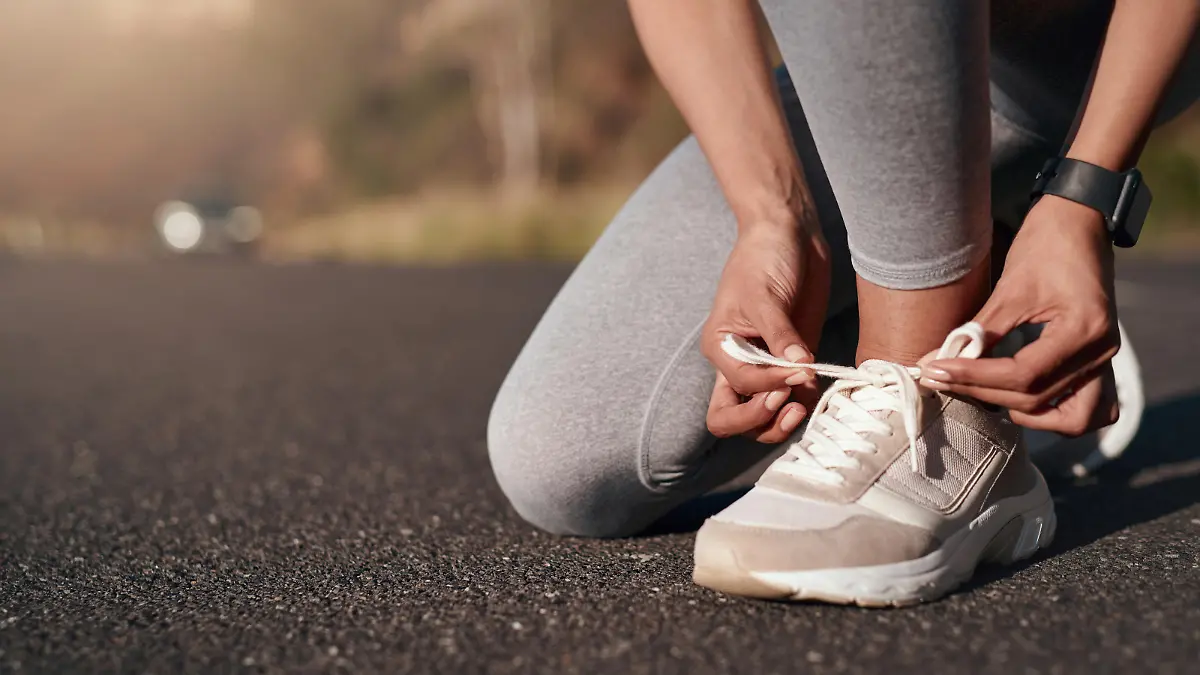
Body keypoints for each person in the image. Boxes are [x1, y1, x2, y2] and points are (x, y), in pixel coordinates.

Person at [487, 0, 1200, 605]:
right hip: (878, 70)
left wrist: (1087, 194)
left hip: (1093, 51)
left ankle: (945, 419)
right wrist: (771, 217)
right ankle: (989, 274)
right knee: (562, 464)